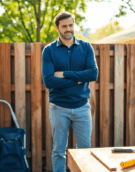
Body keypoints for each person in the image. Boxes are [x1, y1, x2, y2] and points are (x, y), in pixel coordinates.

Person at [41, 11, 99, 172]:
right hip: (58, 108)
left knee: (85, 150)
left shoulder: (86, 47)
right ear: (57, 28)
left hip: (82, 107)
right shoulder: (49, 51)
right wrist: (79, 79)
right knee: (59, 151)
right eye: (64, 26)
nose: (68, 29)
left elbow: (93, 74)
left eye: (71, 25)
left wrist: (65, 74)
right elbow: (49, 81)